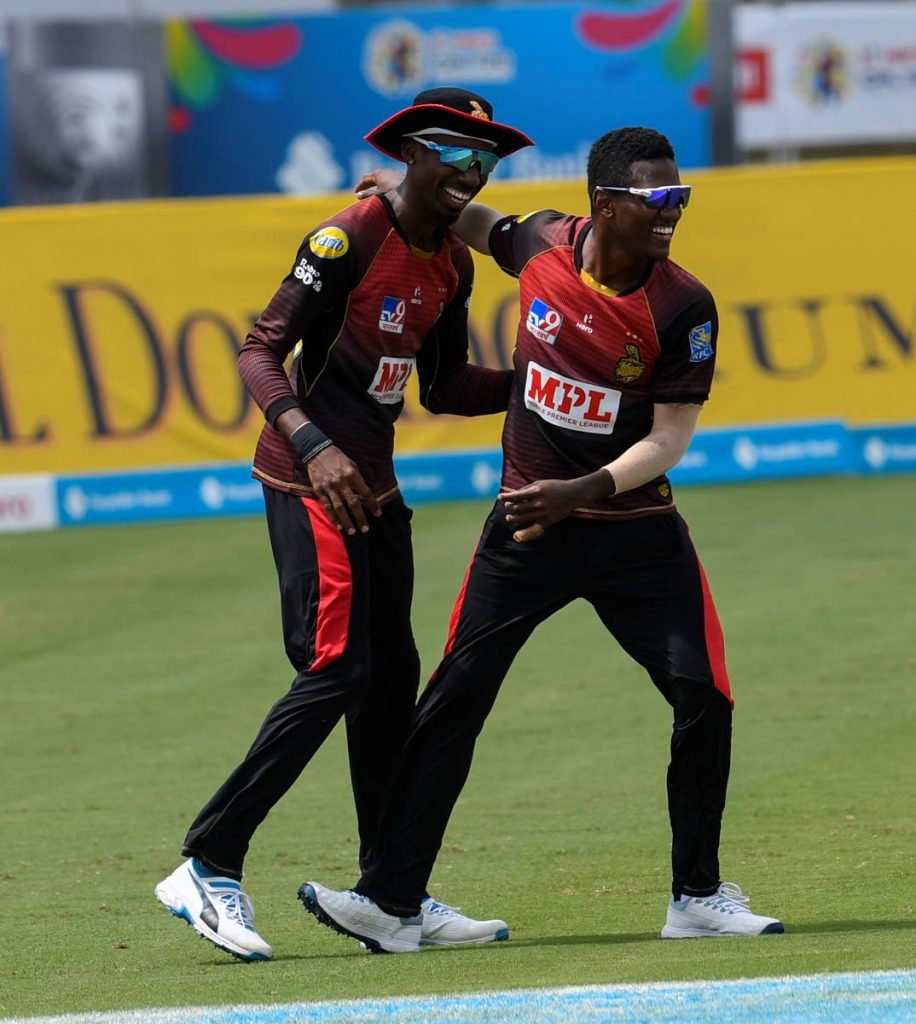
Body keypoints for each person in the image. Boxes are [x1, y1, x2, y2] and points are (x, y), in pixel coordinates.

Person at [300, 127, 784, 952]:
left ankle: (696, 898)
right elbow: (474, 220)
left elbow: (668, 440)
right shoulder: (544, 245)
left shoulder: (682, 305)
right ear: (606, 205)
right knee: (454, 699)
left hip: (635, 532)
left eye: (681, 199)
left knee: (703, 696)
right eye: (657, 200)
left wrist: (583, 491)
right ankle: (390, 902)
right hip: (525, 528)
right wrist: (396, 190)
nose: (672, 214)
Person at [154, 88, 533, 961]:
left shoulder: (452, 264)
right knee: (337, 669)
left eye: (488, 161)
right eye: (455, 151)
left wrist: (536, 378)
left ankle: (388, 897)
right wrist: (316, 447)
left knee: (391, 684)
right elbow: (259, 349)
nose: (472, 172)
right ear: (411, 151)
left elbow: (440, 387)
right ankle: (208, 864)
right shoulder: (350, 236)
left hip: (378, 492)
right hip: (310, 483)